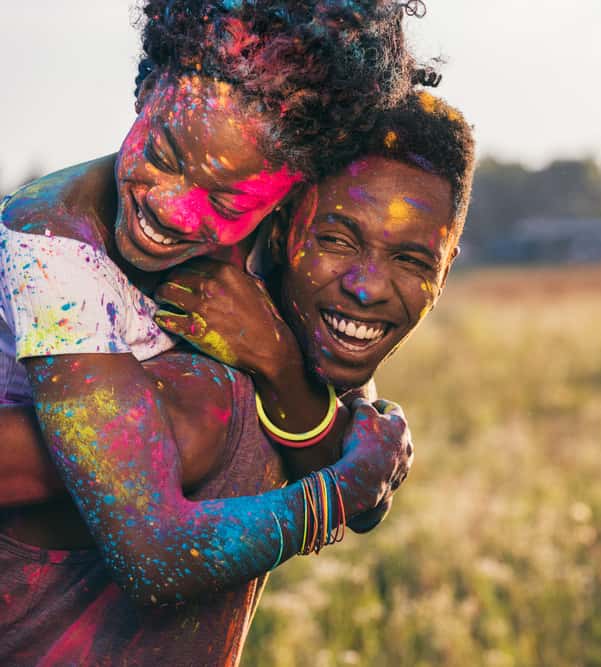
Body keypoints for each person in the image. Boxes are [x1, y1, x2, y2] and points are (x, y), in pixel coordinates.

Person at [0, 90, 475, 665]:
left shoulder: (295, 329)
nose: (368, 286)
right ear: (284, 225)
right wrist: (338, 492)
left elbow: (360, 472)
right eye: (336, 239)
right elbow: (154, 553)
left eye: (411, 260)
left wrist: (279, 367)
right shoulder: (176, 355)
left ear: (447, 270)